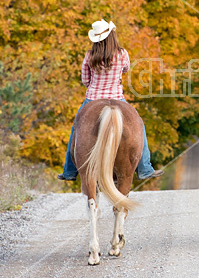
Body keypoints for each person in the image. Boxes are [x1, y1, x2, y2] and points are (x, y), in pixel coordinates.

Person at [57, 19, 163, 181]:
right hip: (117, 98)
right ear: (112, 36)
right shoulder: (122, 54)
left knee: (76, 129)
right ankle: (144, 169)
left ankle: (69, 171)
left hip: (92, 99)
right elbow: (126, 69)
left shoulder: (89, 55)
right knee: (139, 126)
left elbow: (85, 80)